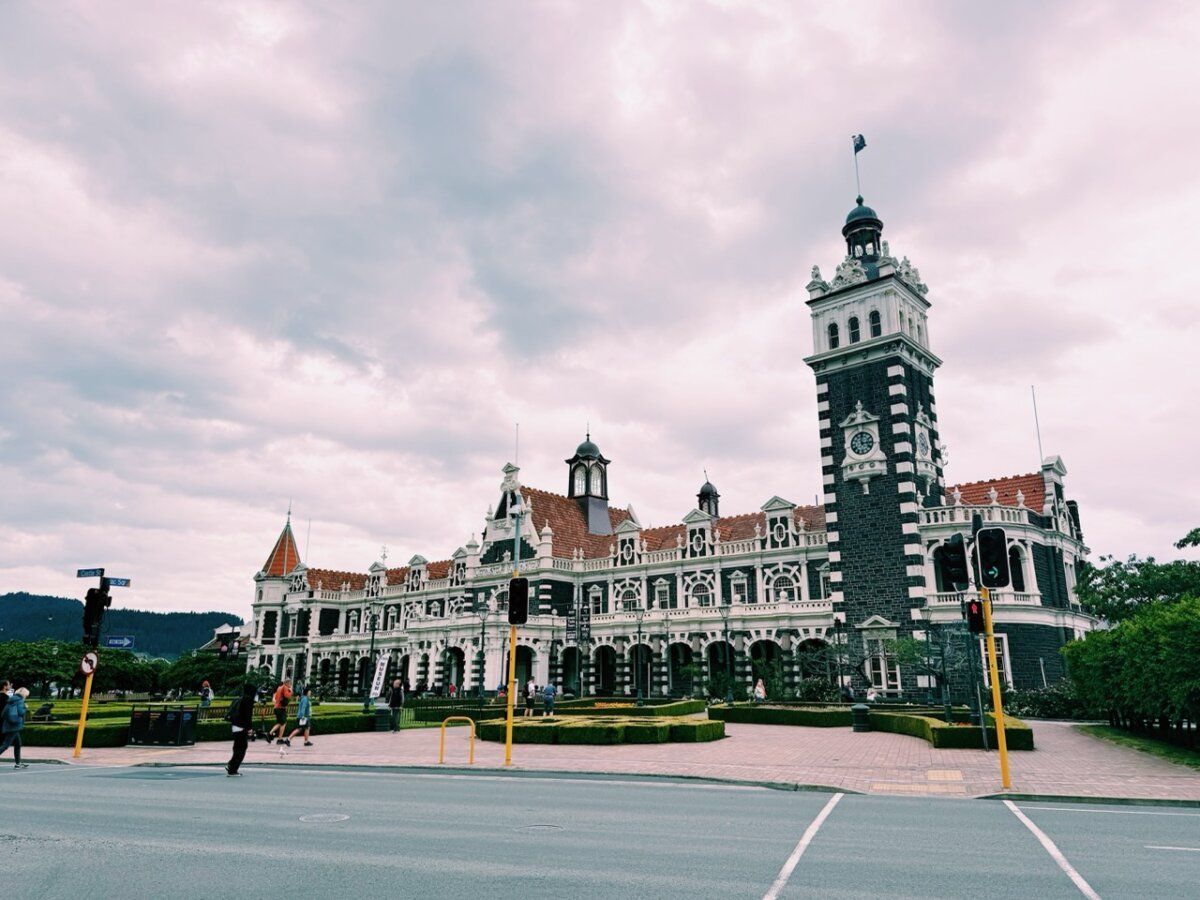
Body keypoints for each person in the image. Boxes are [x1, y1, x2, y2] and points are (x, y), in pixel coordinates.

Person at [225, 682, 257, 776]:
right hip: (241, 727)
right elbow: (248, 716)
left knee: (237, 747)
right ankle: (232, 769)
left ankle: (231, 765)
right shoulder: (248, 700)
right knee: (241, 748)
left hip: (235, 726)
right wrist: (250, 728)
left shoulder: (240, 698)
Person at [0, 687, 29, 769]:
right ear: (24, 694)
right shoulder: (20, 701)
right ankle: (18, 763)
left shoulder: (11, 700)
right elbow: (20, 712)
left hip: (9, 725)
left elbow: (3, 714)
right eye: (26, 695)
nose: (26, 697)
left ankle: (18, 763)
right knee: (5, 745)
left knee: (18, 744)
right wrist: (25, 708)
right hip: (15, 726)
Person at [268, 677, 293, 744]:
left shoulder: (279, 688)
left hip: (276, 707)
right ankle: (280, 739)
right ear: (287, 683)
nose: (290, 685)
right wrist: (291, 691)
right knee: (283, 723)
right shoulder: (285, 687)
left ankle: (270, 734)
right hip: (281, 708)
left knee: (279, 723)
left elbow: (276, 698)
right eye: (290, 683)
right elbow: (287, 696)